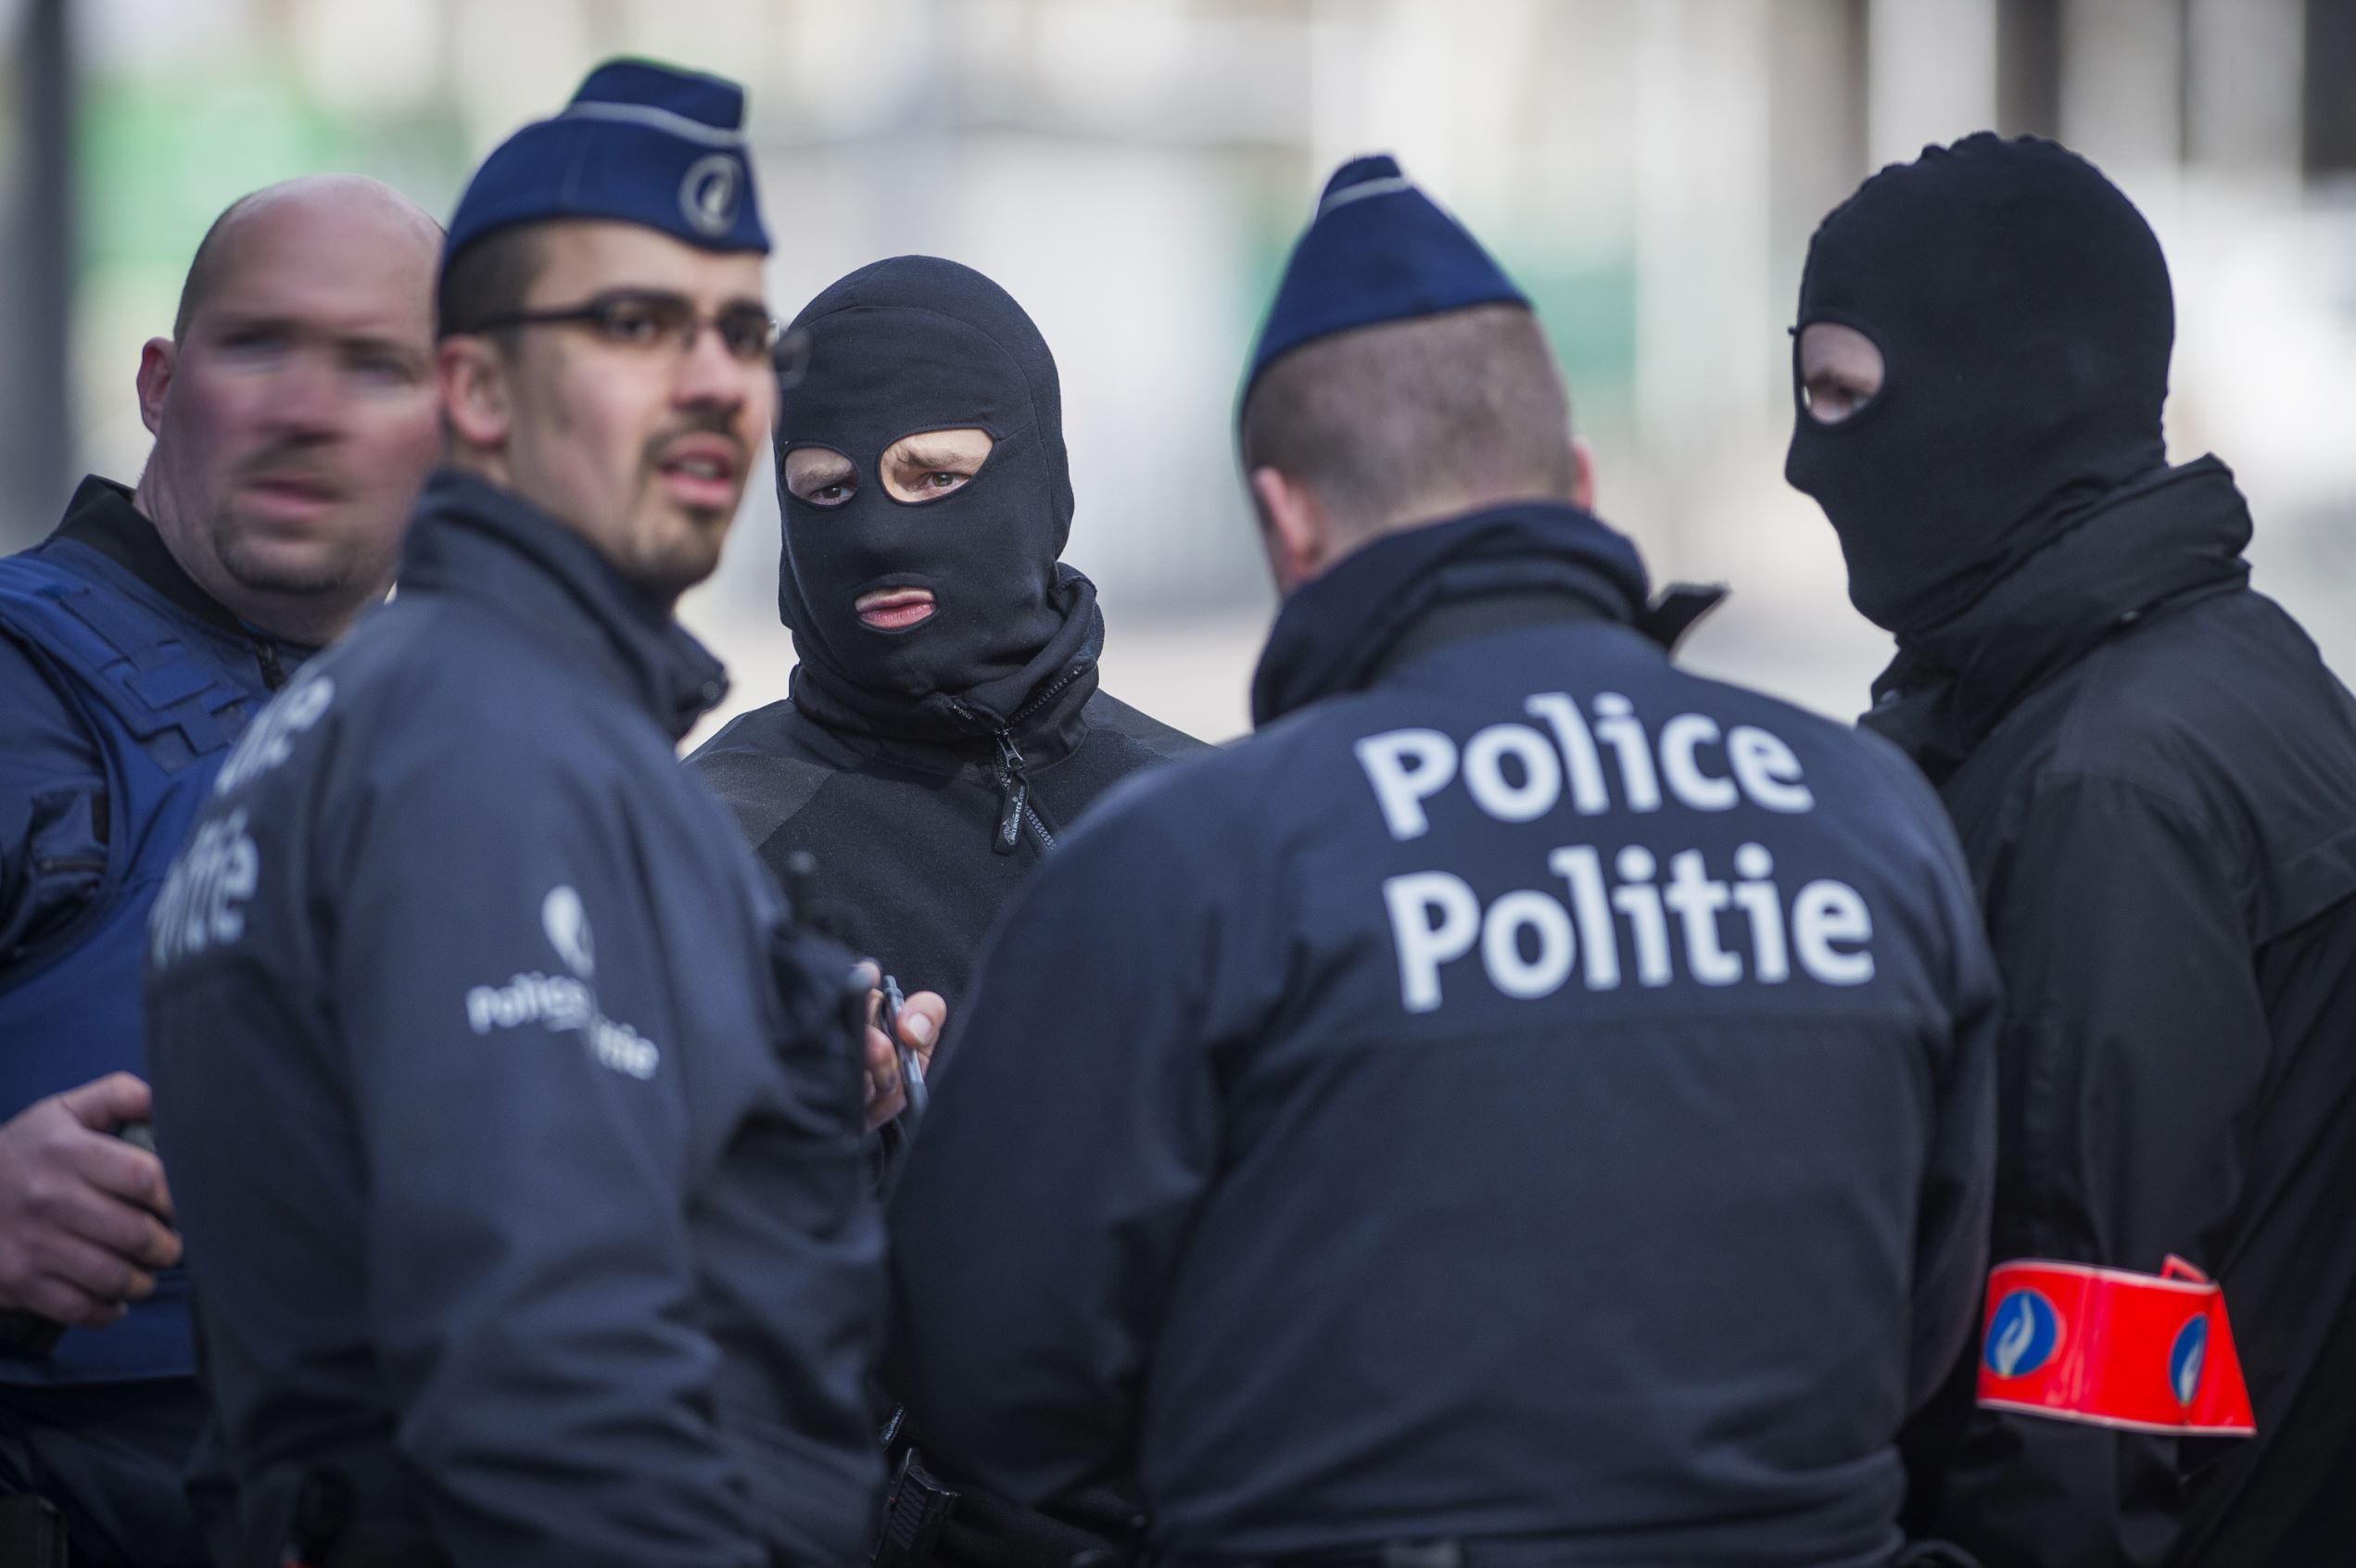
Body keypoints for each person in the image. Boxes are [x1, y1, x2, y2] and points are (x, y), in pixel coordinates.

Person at [886, 154, 2000, 1568]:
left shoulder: (1188, 864)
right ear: (1576, 485)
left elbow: (986, 1379)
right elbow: (1931, 1312)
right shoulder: (1867, 814)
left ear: (1287, 521)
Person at [141, 60, 938, 1568]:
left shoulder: (425, 716)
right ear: (478, 391)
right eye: (634, 324)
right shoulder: (486, 740)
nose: (712, 379)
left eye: (739, 331)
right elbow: (555, 1406)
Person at [1786, 132, 2356, 1568]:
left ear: (2002, 397)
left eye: (1840, 395)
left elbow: (2081, 1400)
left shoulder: (2107, 790)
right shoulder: (2236, 665)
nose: (1800, 461)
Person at [0, 174, 442, 1567]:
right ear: (158, 384)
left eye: (376, 367)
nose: (308, 409)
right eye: (260, 345)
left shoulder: (496, 747)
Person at [689, 255, 1202, 1009]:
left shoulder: (1210, 811)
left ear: (1040, 484)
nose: (876, 538)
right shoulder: (707, 850)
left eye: (934, 477)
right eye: (828, 489)